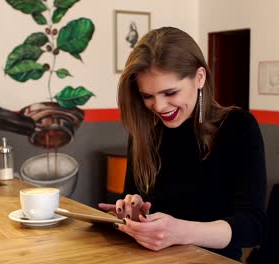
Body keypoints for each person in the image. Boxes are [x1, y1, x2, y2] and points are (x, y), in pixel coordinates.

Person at [98, 26, 267, 261]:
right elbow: (134, 197)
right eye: (147, 96)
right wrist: (132, 208)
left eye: (170, 93)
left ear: (199, 78)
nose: (158, 107)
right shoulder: (145, 129)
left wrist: (180, 232)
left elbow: (252, 227)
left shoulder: (238, 127)